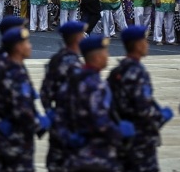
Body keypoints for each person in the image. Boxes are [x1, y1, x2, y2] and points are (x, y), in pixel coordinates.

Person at [56, 35, 133, 172]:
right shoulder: (97, 85)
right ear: (97, 57)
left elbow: (59, 117)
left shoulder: (72, 81)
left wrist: (68, 138)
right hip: (97, 157)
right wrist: (120, 133)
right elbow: (101, 123)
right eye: (105, 52)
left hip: (74, 157)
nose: (107, 55)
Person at [109, 25, 174, 172]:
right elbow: (143, 108)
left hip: (122, 136)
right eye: (145, 41)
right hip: (140, 138)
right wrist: (160, 117)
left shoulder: (117, 70)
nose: (147, 44)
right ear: (137, 45)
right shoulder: (137, 72)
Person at [0, 28, 50, 172]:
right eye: (27, 42)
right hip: (16, 140)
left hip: (6, 138)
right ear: (18, 47)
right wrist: (40, 124)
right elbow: (22, 110)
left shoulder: (8, 68)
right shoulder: (16, 74)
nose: (30, 46)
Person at [40, 21, 85, 172]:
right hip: (72, 124)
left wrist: (50, 112)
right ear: (77, 38)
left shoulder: (55, 60)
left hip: (57, 123)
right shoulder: (75, 65)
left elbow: (45, 92)